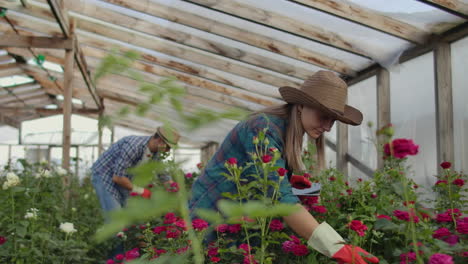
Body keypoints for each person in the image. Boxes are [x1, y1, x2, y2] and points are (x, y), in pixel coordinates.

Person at [188, 71, 379, 264]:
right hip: (210, 216)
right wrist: (336, 247)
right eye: (324, 116)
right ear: (302, 105)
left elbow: (265, 182)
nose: (328, 126)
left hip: (236, 220)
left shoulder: (285, 128)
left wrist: (287, 182)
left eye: (333, 120)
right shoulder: (263, 128)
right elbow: (281, 200)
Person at [91, 126, 180, 216]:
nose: (168, 151)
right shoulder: (134, 146)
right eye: (168, 147)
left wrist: (173, 191)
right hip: (105, 174)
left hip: (124, 178)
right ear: (160, 141)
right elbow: (118, 178)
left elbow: (163, 174)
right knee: (115, 214)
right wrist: (143, 191)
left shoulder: (157, 152)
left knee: (128, 213)